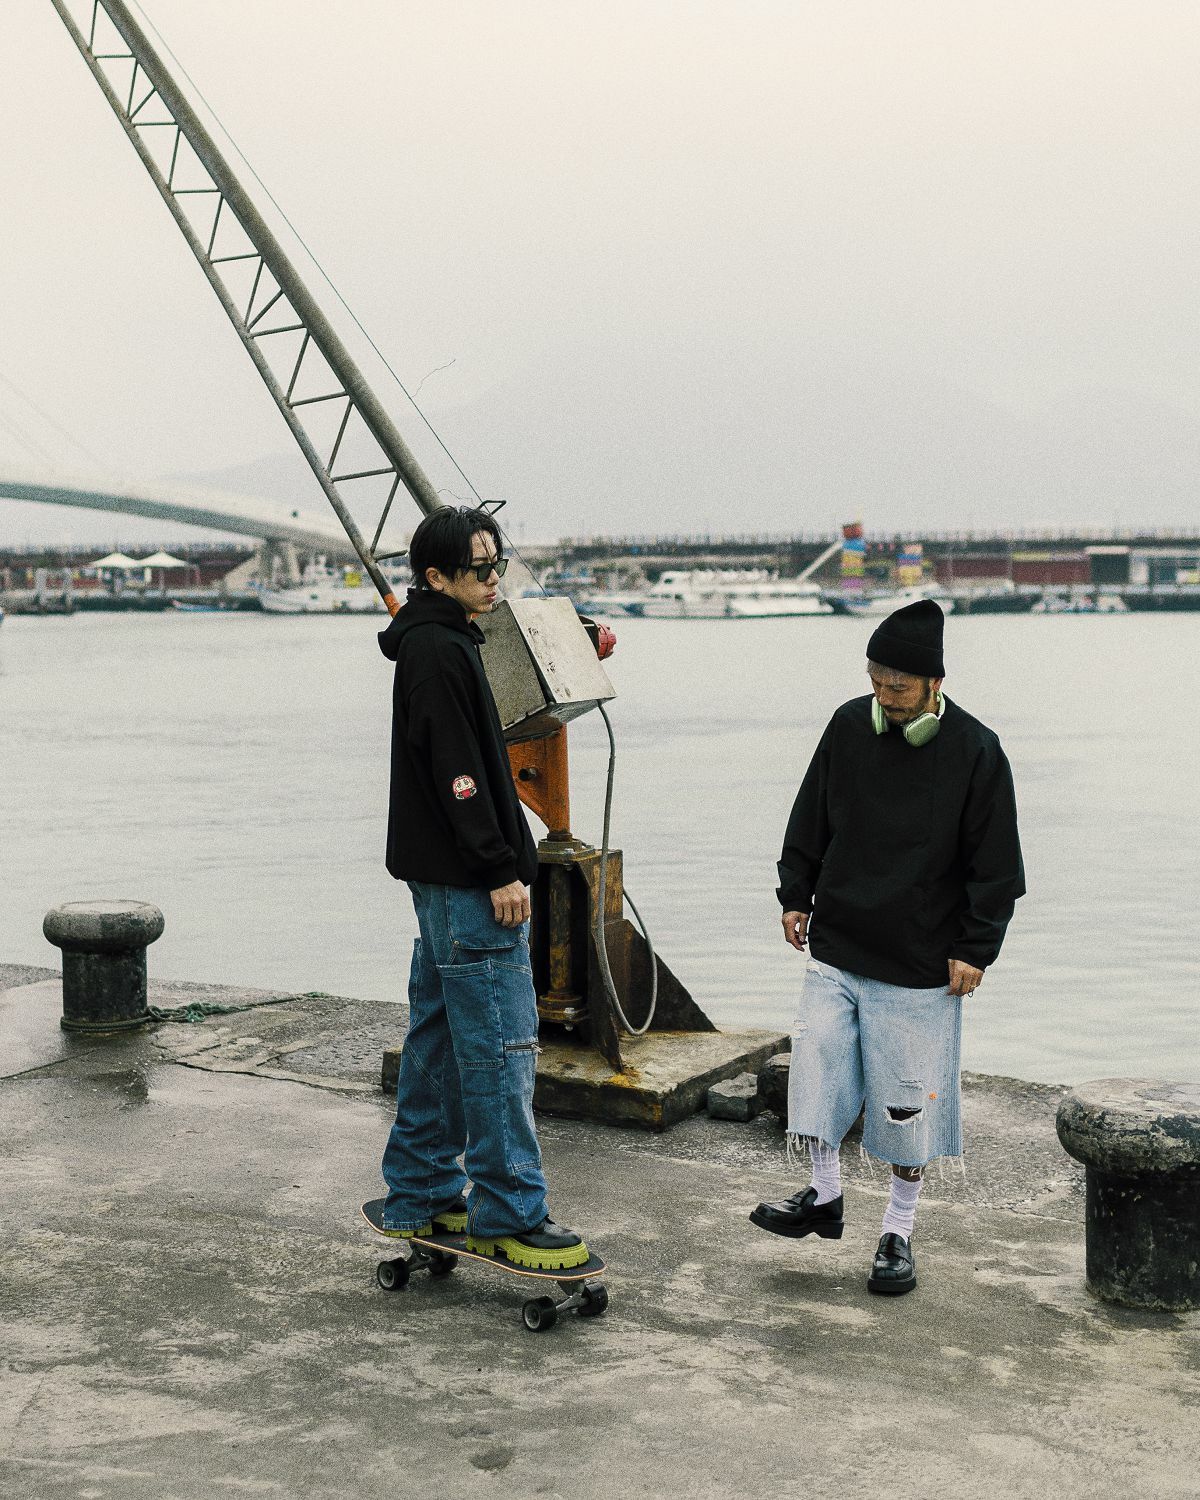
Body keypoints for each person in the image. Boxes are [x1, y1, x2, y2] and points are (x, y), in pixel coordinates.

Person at [750, 599, 1024, 1295]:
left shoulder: (977, 751)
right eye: (875, 682)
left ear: (934, 683)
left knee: (906, 1108)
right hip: (837, 943)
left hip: (920, 962)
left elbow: (996, 866)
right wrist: (795, 893)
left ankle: (897, 1234)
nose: (885, 697)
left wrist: (976, 948)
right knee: (816, 1074)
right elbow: (810, 814)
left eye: (897, 687)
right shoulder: (849, 725)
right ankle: (823, 1197)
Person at [375, 505, 589, 1270]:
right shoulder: (439, 652)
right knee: (501, 1046)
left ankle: (421, 1190)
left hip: (439, 876)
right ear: (437, 577)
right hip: (468, 880)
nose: (495, 578)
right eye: (480, 569)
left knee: (438, 1036)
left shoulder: (437, 640)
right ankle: (509, 1212)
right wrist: (499, 866)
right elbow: (458, 774)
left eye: (498, 563)